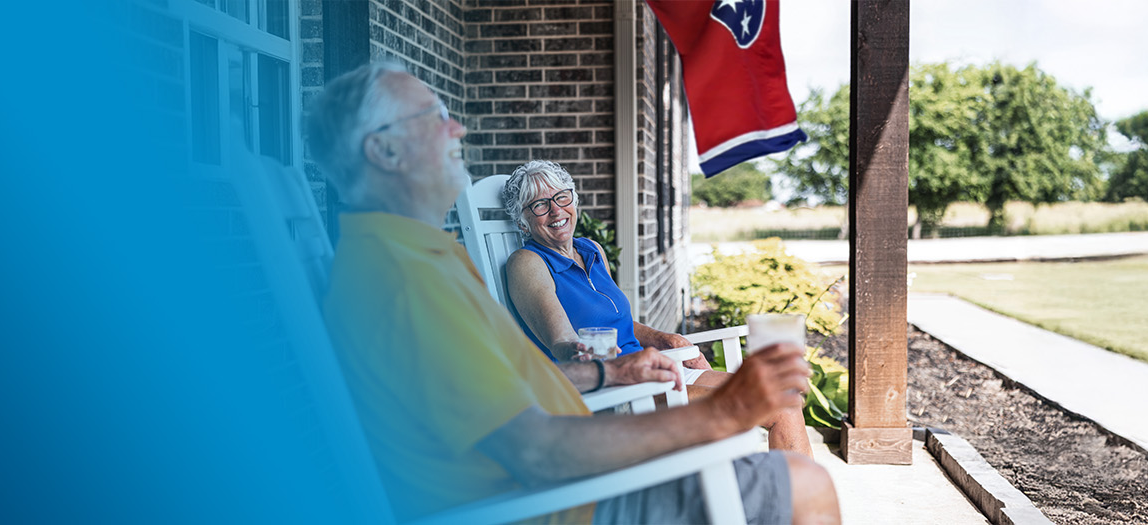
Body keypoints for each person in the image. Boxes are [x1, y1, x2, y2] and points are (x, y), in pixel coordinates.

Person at [309, 61, 840, 524]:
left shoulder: (424, 256)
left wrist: (615, 368)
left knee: (782, 458)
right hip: (555, 501)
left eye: (562, 197)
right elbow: (536, 450)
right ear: (383, 149)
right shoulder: (408, 282)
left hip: (574, 457)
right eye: (432, 118)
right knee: (804, 484)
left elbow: (512, 382)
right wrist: (724, 411)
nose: (457, 128)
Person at [503, 159, 814, 457]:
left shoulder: (591, 250)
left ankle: (784, 503)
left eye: (561, 197)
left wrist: (667, 339)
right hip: (616, 393)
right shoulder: (527, 262)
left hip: (653, 373)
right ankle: (794, 507)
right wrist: (599, 362)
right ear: (523, 220)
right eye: (540, 205)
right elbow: (562, 344)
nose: (556, 210)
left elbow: (619, 321)